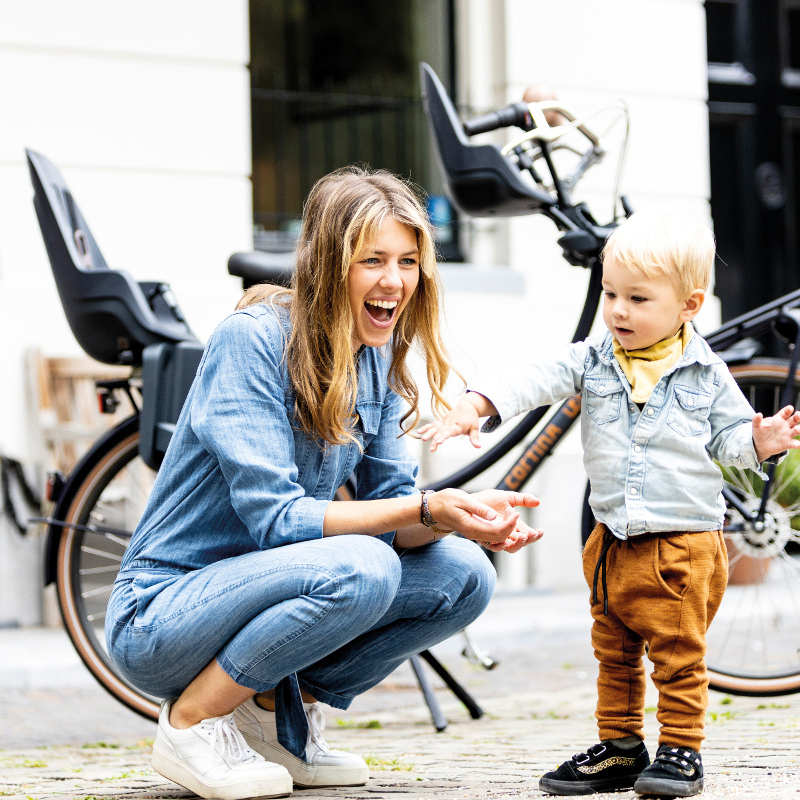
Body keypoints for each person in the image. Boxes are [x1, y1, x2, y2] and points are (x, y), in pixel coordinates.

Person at [105, 166, 543, 800]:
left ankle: (272, 720)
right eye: (372, 260)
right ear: (327, 264)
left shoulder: (379, 357)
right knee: (362, 565)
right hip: (164, 615)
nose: (395, 281)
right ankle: (193, 721)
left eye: (408, 261)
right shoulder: (250, 341)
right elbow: (279, 522)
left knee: (463, 574)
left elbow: (394, 516)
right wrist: (421, 507)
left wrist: (452, 515)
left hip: (275, 588)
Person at [418, 209, 800, 798]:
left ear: (689, 306)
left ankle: (681, 751)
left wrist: (759, 439)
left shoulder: (707, 374)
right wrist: (480, 401)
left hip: (681, 544)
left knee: (677, 654)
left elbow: (727, 440)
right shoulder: (596, 357)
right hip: (610, 540)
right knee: (614, 651)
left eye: (638, 299)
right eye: (610, 293)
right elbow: (539, 377)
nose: (618, 310)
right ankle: (621, 747)